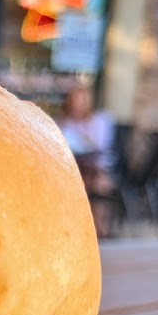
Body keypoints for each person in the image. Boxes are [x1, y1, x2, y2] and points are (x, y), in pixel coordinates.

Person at [58, 85, 117, 236]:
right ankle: (71, 227)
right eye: (74, 101)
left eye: (80, 101)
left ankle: (98, 227)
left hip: (96, 168)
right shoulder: (64, 122)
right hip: (75, 167)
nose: (77, 105)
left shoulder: (99, 121)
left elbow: (99, 145)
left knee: (98, 183)